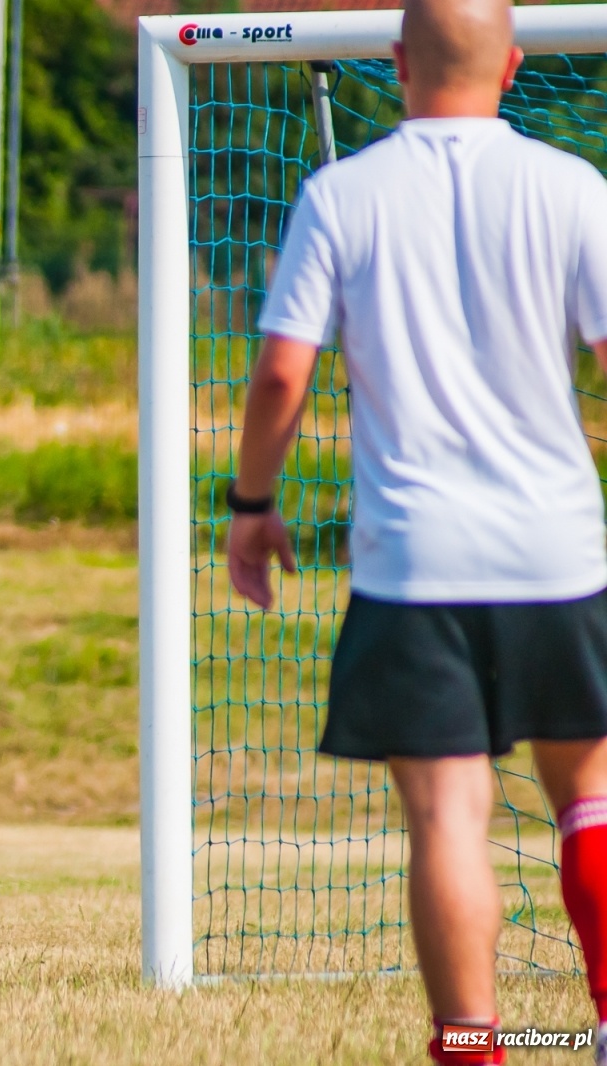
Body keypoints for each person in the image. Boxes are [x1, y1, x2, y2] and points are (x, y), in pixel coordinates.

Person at [229, 0, 607, 1060]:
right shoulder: (572, 188)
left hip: (414, 561)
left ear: (396, 64)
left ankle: (471, 1043)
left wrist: (251, 507)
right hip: (557, 550)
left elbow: (278, 374)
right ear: (515, 63)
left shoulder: (343, 192)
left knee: (447, 815)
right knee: (588, 793)